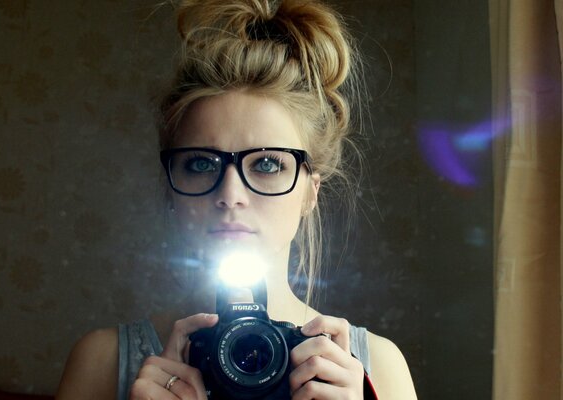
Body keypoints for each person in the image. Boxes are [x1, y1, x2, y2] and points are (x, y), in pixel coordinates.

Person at [55, 0, 417, 399]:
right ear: (171, 186)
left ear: (310, 190)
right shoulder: (104, 362)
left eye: (266, 164)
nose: (230, 195)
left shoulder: (374, 367)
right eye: (199, 164)